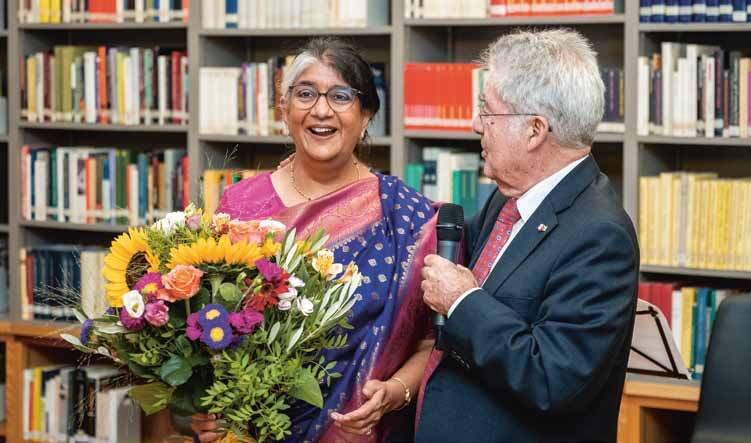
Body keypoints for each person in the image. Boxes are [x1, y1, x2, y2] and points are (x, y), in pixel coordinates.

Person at [191, 37, 436, 443]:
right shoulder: (241, 204)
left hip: (362, 433)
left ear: (366, 115)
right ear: (284, 110)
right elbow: (205, 327)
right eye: (305, 94)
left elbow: (431, 341)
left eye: (341, 96)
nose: (321, 110)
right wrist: (204, 410)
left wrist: (395, 393)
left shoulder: (406, 215)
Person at [416, 29, 640, 442]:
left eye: (488, 112)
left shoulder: (600, 236)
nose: (474, 124)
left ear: (535, 130)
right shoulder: (509, 200)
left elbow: (553, 378)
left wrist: (464, 302)